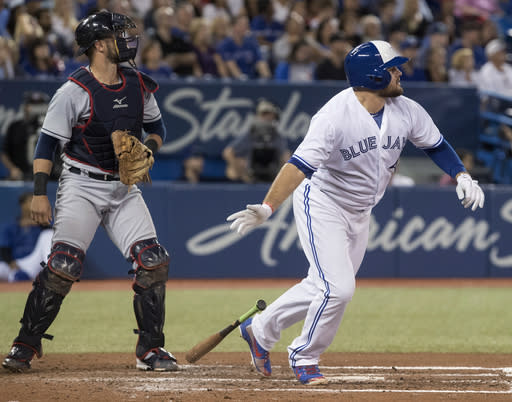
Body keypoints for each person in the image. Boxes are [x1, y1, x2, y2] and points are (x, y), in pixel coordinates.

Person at [226, 40, 485, 385]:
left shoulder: (406, 109)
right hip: (323, 202)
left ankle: (259, 330)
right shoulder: (334, 117)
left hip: (361, 209)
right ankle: (304, 355)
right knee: (339, 288)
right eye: (393, 68)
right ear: (374, 76)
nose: (400, 72)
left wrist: (461, 174)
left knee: (323, 285)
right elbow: (298, 165)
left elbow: (436, 144)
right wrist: (269, 205)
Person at [2, 11, 178, 373]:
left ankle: (150, 350)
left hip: (123, 187)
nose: (128, 39)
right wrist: (39, 193)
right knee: (63, 265)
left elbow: (157, 127)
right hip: (81, 184)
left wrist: (148, 152)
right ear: (99, 45)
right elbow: (46, 146)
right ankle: (25, 345)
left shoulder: (138, 83)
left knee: (153, 260)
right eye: (119, 34)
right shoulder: (73, 91)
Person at [223, 99, 290, 183]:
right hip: (250, 174)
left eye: (269, 114)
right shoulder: (250, 135)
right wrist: (243, 174)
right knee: (231, 171)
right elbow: (228, 152)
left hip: (273, 174)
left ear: (275, 116)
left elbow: (285, 157)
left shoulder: (277, 137)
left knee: (288, 160)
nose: (266, 118)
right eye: (263, 114)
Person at [0, 192, 52, 282]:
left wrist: (39, 223)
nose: (33, 204)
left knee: (48, 234)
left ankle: (51, 271)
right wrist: (12, 264)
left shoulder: (43, 225)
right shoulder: (11, 226)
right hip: (14, 264)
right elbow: (4, 249)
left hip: (35, 263)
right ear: (22, 205)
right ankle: (17, 276)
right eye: (30, 201)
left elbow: (52, 235)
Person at [1, 91, 51, 181]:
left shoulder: (50, 127)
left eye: (39, 106)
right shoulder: (15, 126)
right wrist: (13, 169)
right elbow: (4, 153)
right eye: (32, 105)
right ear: (25, 107)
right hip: (20, 175)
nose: (35, 109)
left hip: (47, 176)